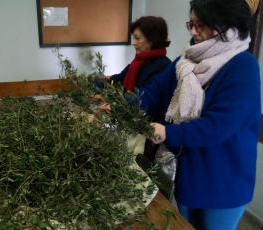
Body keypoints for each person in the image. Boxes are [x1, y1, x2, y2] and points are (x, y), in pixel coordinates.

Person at [136, 0, 260, 229]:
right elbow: (153, 91)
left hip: (223, 182)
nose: (193, 31)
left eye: (201, 25)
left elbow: (220, 125)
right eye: (191, 23)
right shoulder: (186, 60)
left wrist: (168, 132)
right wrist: (123, 104)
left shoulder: (243, 66)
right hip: (188, 175)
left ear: (227, 25)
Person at [102, 16, 171, 92]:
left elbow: (142, 99)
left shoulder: (163, 67)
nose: (133, 43)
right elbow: (118, 79)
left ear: (152, 39)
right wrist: (98, 81)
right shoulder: (139, 60)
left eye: (137, 38)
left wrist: (109, 101)